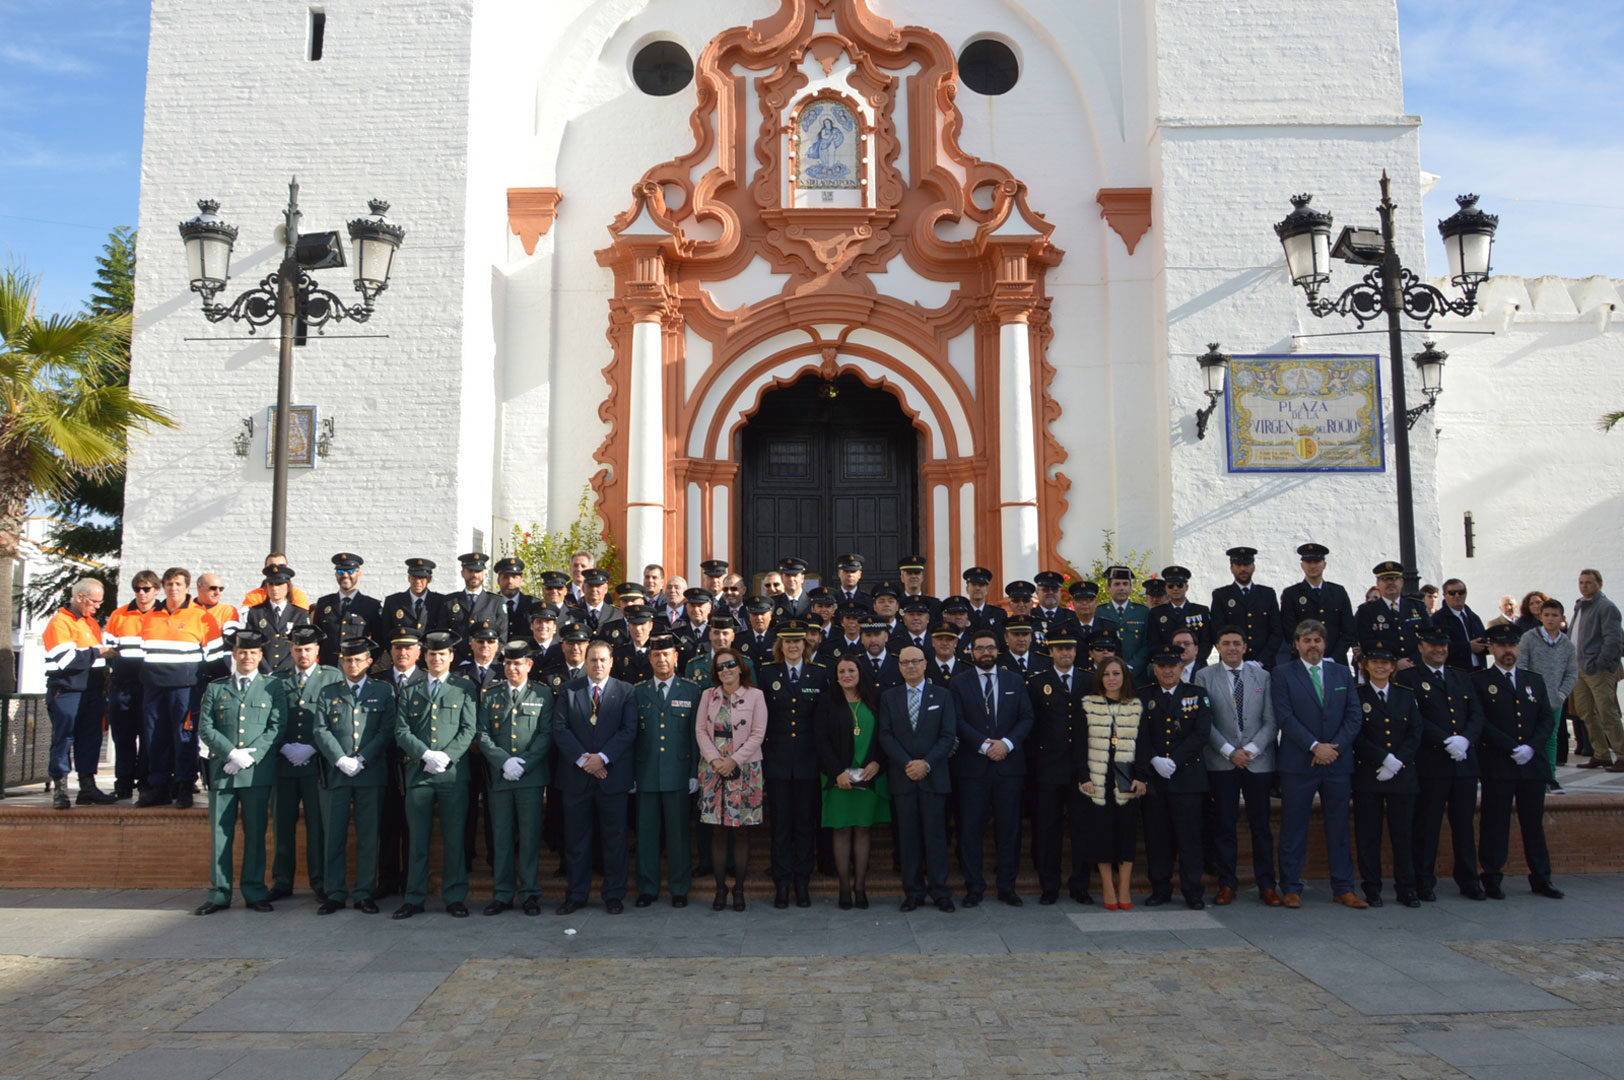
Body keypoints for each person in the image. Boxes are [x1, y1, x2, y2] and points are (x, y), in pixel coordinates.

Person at [1273, 619, 1366, 908]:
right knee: (1293, 827)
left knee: (1339, 827)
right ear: (1296, 644)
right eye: (1306, 640)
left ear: (1325, 643)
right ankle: (1290, 887)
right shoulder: (1282, 673)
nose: (1312, 645)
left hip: (1337, 762)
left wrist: (1333, 748)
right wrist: (1315, 746)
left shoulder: (1341, 672)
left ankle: (1343, 887)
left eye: (1317, 640)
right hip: (1299, 762)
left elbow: (1354, 715)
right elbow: (1284, 717)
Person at [194, 630, 286, 915]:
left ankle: (255, 890)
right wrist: (230, 753)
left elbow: (276, 727)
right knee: (221, 835)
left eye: (253, 653)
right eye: (242, 652)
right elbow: (206, 728)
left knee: (256, 833)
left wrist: (250, 756)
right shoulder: (216, 688)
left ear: (261, 656)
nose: (247, 657)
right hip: (223, 771)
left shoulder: (273, 687)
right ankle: (219, 893)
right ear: (234, 655)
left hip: (256, 774)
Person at [1397, 623, 1487, 901]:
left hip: (1463, 762)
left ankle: (1469, 879)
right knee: (1427, 825)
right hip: (1432, 762)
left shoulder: (1461, 677)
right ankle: (1424, 880)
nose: (1440, 650)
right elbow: (1414, 718)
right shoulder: (1409, 678)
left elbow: (1477, 714)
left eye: (1444, 645)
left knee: (1464, 825)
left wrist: (1465, 740)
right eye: (1434, 645)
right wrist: (1446, 740)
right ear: (1421, 647)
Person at [392, 630, 478, 919]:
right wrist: (425, 754)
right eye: (431, 654)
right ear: (424, 656)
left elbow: (469, 729)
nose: (436, 658)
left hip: (453, 776)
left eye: (442, 654)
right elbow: (401, 730)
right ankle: (414, 897)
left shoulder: (464, 688)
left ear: (451, 656)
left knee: (454, 839)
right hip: (419, 773)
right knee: (418, 839)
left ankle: (454, 896)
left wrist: (447, 756)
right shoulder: (412, 689)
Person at [1475, 624, 1563, 899]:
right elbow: (1482, 722)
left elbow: (1546, 718)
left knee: (1533, 823)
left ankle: (1541, 878)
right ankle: (1491, 876)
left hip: (1531, 764)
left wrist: (1531, 747)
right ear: (1491, 649)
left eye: (1512, 645)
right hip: (1499, 763)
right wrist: (1511, 747)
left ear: (1519, 648)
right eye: (1501, 646)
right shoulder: (1479, 681)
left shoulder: (1532, 680)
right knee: (1495, 822)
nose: (1508, 650)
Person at [1194, 626, 1280, 906]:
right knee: (1225, 826)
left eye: (1236, 643)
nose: (1232, 648)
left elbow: (1271, 720)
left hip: (1258, 761)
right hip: (1222, 760)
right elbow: (1204, 721)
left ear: (1245, 647)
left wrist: (1251, 750)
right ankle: (1226, 883)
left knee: (1261, 826)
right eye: (1226, 643)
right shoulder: (1204, 677)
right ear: (1217, 647)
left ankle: (1267, 885)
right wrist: (1231, 752)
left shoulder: (1263, 676)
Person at [949, 628, 1034, 907]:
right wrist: (984, 745)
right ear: (971, 652)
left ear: (998, 650)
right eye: (980, 648)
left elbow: (1026, 717)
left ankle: (1007, 886)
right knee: (970, 829)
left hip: (1008, 767)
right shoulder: (959, 683)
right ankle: (974, 886)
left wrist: (1006, 744)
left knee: (1009, 829)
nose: (985, 653)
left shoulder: (1014, 679)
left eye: (990, 648)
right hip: (973, 768)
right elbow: (957, 721)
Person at [552, 639, 638, 915]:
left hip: (612, 776)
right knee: (576, 840)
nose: (598, 664)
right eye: (593, 660)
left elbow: (628, 731)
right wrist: (584, 761)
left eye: (603, 659)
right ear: (585, 662)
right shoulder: (568, 690)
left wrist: (602, 759)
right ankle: (576, 894)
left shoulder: (625, 691)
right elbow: (561, 729)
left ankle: (613, 894)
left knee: (614, 839)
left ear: (611, 662)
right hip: (576, 778)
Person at [312, 636, 397, 914]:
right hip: (336, 775)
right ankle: (335, 893)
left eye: (358, 659)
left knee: (368, 835)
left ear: (369, 662)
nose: (352, 664)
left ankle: (363, 892)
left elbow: (386, 730)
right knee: (333, 835)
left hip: (370, 774)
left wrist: (362, 758)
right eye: (348, 660)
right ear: (341, 662)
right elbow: (320, 730)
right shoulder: (328, 692)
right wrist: (339, 758)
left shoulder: (383, 691)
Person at [876, 645, 957, 913]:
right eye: (905, 662)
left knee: (935, 836)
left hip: (933, 776)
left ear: (925, 664)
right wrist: (908, 763)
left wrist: (926, 763)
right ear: (899, 667)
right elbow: (885, 734)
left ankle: (940, 891)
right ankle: (913, 892)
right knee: (908, 839)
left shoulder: (942, 696)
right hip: (903, 776)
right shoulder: (889, 697)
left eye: (916, 662)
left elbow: (948, 736)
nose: (911, 666)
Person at [477, 639, 553, 916]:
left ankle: (530, 892)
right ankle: (503, 893)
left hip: (530, 778)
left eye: (517, 663)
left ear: (529, 665)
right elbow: (482, 734)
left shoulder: (542, 694)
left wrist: (525, 763)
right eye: (508, 663)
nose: (512, 668)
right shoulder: (491, 694)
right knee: (502, 837)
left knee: (530, 837)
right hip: (500, 777)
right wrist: (503, 761)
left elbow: (546, 735)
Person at [138, 567, 223, 808]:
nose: (173, 588)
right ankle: (160, 786)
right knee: (155, 736)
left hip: (185, 689)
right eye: (169, 584)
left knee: (184, 736)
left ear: (187, 588)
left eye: (178, 584)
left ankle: (185, 785)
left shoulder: (202, 617)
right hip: (154, 688)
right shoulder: (151, 615)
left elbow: (216, 659)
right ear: (162, 587)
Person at [759, 622, 829, 908]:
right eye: (787, 642)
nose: (792, 646)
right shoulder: (767, 673)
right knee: (781, 826)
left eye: (797, 642)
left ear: (805, 645)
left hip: (808, 762)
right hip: (776, 761)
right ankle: (782, 882)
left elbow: (823, 721)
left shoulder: (819, 673)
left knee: (804, 825)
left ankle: (802, 882)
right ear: (780, 646)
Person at [1136, 647, 1212, 910]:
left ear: (1182, 667)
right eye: (1162, 666)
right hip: (1155, 780)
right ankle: (1160, 888)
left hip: (1188, 778)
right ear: (1154, 668)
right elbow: (1138, 734)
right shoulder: (1143, 696)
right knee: (1158, 838)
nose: (1167, 671)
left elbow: (1201, 734)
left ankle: (1192, 890)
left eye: (1173, 666)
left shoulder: (1197, 695)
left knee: (1189, 838)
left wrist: (1175, 760)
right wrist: (1154, 759)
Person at [270, 625, 341, 902]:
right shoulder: (278, 678)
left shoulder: (332, 677)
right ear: (291, 650)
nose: (303, 654)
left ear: (317, 651)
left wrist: (313, 747)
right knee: (282, 824)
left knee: (318, 825)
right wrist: (283, 746)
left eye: (308, 649)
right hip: (285, 763)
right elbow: (272, 718)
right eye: (298, 649)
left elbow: (337, 719)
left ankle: (320, 882)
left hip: (317, 765)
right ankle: (282, 881)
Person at [815, 653, 890, 909]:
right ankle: (844, 887)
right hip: (839, 778)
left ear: (860, 674)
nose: (846, 676)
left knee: (863, 830)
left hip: (868, 776)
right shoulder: (827, 701)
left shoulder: (875, 700)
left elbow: (885, 735)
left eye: (851, 671)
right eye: (842, 672)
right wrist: (837, 772)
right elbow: (821, 740)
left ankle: (861, 886)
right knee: (842, 829)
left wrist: (877, 762)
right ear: (835, 677)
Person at [695, 647, 767, 911]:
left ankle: (739, 889)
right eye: (721, 667)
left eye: (731, 665)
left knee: (742, 830)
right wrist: (716, 760)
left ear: (740, 667)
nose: (726, 670)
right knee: (718, 830)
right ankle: (719, 888)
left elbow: (758, 734)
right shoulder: (708, 695)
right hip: (714, 768)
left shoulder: (755, 695)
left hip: (745, 768)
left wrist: (733, 760)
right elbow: (701, 731)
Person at [631, 635, 700, 908]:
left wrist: (695, 772)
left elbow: (696, 736)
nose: (661, 660)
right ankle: (647, 887)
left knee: (678, 834)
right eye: (656, 655)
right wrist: (630, 774)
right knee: (646, 835)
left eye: (667, 654)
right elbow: (632, 736)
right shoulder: (637, 691)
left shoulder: (691, 691)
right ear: (649, 659)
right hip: (646, 773)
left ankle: (679, 887)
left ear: (676, 658)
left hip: (679, 773)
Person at [1352, 645, 1423, 907]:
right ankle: (1372, 888)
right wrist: (1382, 759)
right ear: (1366, 667)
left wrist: (1397, 761)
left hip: (1402, 775)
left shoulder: (1405, 694)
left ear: (1393, 667)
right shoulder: (1358, 695)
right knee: (1368, 835)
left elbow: (1416, 731)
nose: (1380, 667)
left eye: (1385, 663)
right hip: (1369, 774)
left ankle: (1407, 888)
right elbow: (1355, 733)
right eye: (1374, 663)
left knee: (1403, 834)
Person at [1025, 631, 1093, 905]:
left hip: (1083, 768)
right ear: (1050, 652)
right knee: (1048, 829)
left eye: (1070, 648)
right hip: (1048, 767)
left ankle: (1080, 885)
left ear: (1076, 652)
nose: (1065, 653)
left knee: (1082, 829)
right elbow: (1032, 727)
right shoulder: (1037, 682)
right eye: (1060, 649)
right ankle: (1049, 885)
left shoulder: (1090, 680)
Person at [1076, 656, 1146, 910]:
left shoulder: (1136, 706)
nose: (1112, 678)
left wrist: (1141, 776)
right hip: (1097, 779)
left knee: (1126, 834)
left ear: (1124, 677)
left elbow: (1144, 745)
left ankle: (1124, 886)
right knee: (1101, 834)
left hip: (1127, 779)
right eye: (1106, 674)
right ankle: (1107, 885)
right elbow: (1079, 744)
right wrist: (1083, 777)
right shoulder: (1088, 704)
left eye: (1116, 673)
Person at [42, 578, 117, 808]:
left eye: (100, 602)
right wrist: (100, 652)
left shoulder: (91, 623)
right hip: (67, 691)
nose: (97, 607)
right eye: (94, 602)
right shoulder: (60, 623)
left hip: (91, 691)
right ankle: (60, 789)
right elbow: (66, 660)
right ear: (80, 597)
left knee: (90, 739)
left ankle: (87, 786)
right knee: (64, 739)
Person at [103, 569, 160, 800]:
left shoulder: (163, 614)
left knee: (149, 736)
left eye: (146, 589)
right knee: (123, 737)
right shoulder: (119, 615)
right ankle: (123, 783)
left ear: (156, 590)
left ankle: (146, 782)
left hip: (151, 686)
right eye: (137, 588)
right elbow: (107, 648)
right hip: (123, 685)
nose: (142, 593)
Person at [1518, 598, 1578, 792]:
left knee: (1551, 738)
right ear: (1540, 616)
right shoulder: (1529, 638)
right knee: (1531, 737)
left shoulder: (1567, 645)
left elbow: (1571, 673)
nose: (1550, 619)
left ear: (1562, 618)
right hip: (1531, 699)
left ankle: (1550, 776)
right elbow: (1521, 666)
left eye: (1554, 615)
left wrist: (1561, 695)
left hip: (1554, 700)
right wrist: (1527, 691)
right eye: (1546, 615)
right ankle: (1532, 775)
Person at [1569, 569, 1624, 770]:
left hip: (1597, 669)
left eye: (1588, 582)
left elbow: (1613, 639)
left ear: (1599, 584)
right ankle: (1600, 754)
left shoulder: (1606, 607)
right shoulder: (1580, 606)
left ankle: (1622, 755)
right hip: (1579, 668)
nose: (1584, 586)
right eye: (1581, 582)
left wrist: (1599, 663)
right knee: (1585, 712)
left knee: (1606, 712)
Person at [1278, 543, 1356, 666]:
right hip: (1302, 661)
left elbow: (1348, 630)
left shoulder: (1338, 592)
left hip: (1335, 661)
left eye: (1316, 561)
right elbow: (1290, 631)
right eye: (1308, 562)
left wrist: (1333, 658)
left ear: (1324, 564)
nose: (1312, 566)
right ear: (1302, 565)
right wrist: (1307, 657)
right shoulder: (1292, 594)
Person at [1211, 547, 1282, 668]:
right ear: (1231, 568)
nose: (1243, 569)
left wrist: (1260, 661)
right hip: (1231, 664)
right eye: (1238, 565)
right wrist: (1234, 659)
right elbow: (1217, 631)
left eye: (1247, 564)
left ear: (1253, 566)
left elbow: (1276, 631)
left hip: (1264, 665)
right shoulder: (1221, 595)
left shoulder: (1267, 594)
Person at [312, 553, 383, 666]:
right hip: (329, 668)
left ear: (358, 574)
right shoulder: (324, 603)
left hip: (357, 669)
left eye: (350, 571)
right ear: (336, 574)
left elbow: (379, 642)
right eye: (340, 571)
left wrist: (365, 664)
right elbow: (317, 638)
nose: (345, 575)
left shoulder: (371, 605)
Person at [1355, 561, 1429, 667]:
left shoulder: (1417, 607)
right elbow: (1367, 643)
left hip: (1417, 667)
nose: (1390, 583)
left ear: (1402, 581)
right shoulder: (1367, 611)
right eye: (1385, 579)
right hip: (1385, 670)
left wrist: (1414, 662)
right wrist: (1394, 662)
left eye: (1394, 578)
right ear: (1378, 584)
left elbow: (1427, 638)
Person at [437, 552, 509, 659]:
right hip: (457, 664)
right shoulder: (449, 601)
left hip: (487, 664)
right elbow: (443, 636)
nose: (474, 575)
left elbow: (502, 638)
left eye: (478, 571)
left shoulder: (496, 602)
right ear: (462, 573)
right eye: (470, 571)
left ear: (483, 573)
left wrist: (487, 661)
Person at [1148, 565, 1212, 666]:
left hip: (1195, 666)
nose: (1175, 589)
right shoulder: (1156, 613)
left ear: (1186, 587)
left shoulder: (1201, 611)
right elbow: (1154, 642)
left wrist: (1195, 662)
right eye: (1171, 586)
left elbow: (1206, 642)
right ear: (1166, 588)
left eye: (1179, 585)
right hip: (1168, 665)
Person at [380, 558, 444, 647]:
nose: (417, 581)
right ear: (409, 578)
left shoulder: (440, 602)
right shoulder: (393, 602)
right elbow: (385, 633)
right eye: (414, 577)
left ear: (429, 579)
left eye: (422, 578)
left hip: (429, 656)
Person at [1101, 566, 1150, 677]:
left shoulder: (1143, 612)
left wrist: (1131, 666)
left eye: (1125, 584)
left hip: (1136, 675)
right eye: (1117, 584)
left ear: (1131, 588)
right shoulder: (1099, 612)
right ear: (1108, 588)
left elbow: (1148, 643)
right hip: (1106, 675)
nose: (1121, 588)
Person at [1433, 578, 1488, 671]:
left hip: (1479, 671)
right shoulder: (1438, 619)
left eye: (1461, 592)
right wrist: (1468, 647)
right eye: (1452, 593)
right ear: (1444, 595)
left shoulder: (1473, 617)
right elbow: (1438, 647)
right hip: (1456, 672)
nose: (1457, 595)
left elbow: (1484, 639)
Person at [494, 556, 539, 631]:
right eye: (505, 577)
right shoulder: (491, 604)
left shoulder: (533, 605)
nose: (510, 581)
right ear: (498, 581)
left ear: (521, 581)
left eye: (514, 577)